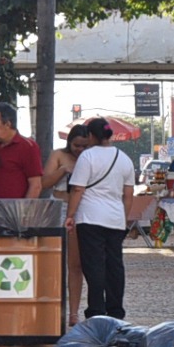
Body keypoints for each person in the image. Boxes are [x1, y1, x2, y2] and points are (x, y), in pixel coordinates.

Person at [65, 119, 135, 320]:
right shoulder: (124, 159)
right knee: (115, 265)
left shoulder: (87, 157)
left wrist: (70, 215)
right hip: (115, 219)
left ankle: (96, 310)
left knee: (94, 264)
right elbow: (128, 194)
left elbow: (78, 189)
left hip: (90, 217)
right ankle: (116, 310)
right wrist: (123, 219)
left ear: (90, 136)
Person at [43, 124, 96, 324]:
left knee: (76, 264)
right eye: (76, 146)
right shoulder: (58, 155)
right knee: (54, 260)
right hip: (60, 206)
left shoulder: (91, 158)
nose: (79, 150)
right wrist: (63, 170)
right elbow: (44, 182)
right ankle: (52, 308)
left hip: (81, 210)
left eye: (84, 146)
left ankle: (73, 312)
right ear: (69, 143)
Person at [0, 101, 43, 199]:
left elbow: (35, 185)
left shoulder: (28, 147)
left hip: (15, 211)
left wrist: (23, 212)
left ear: (7, 124)